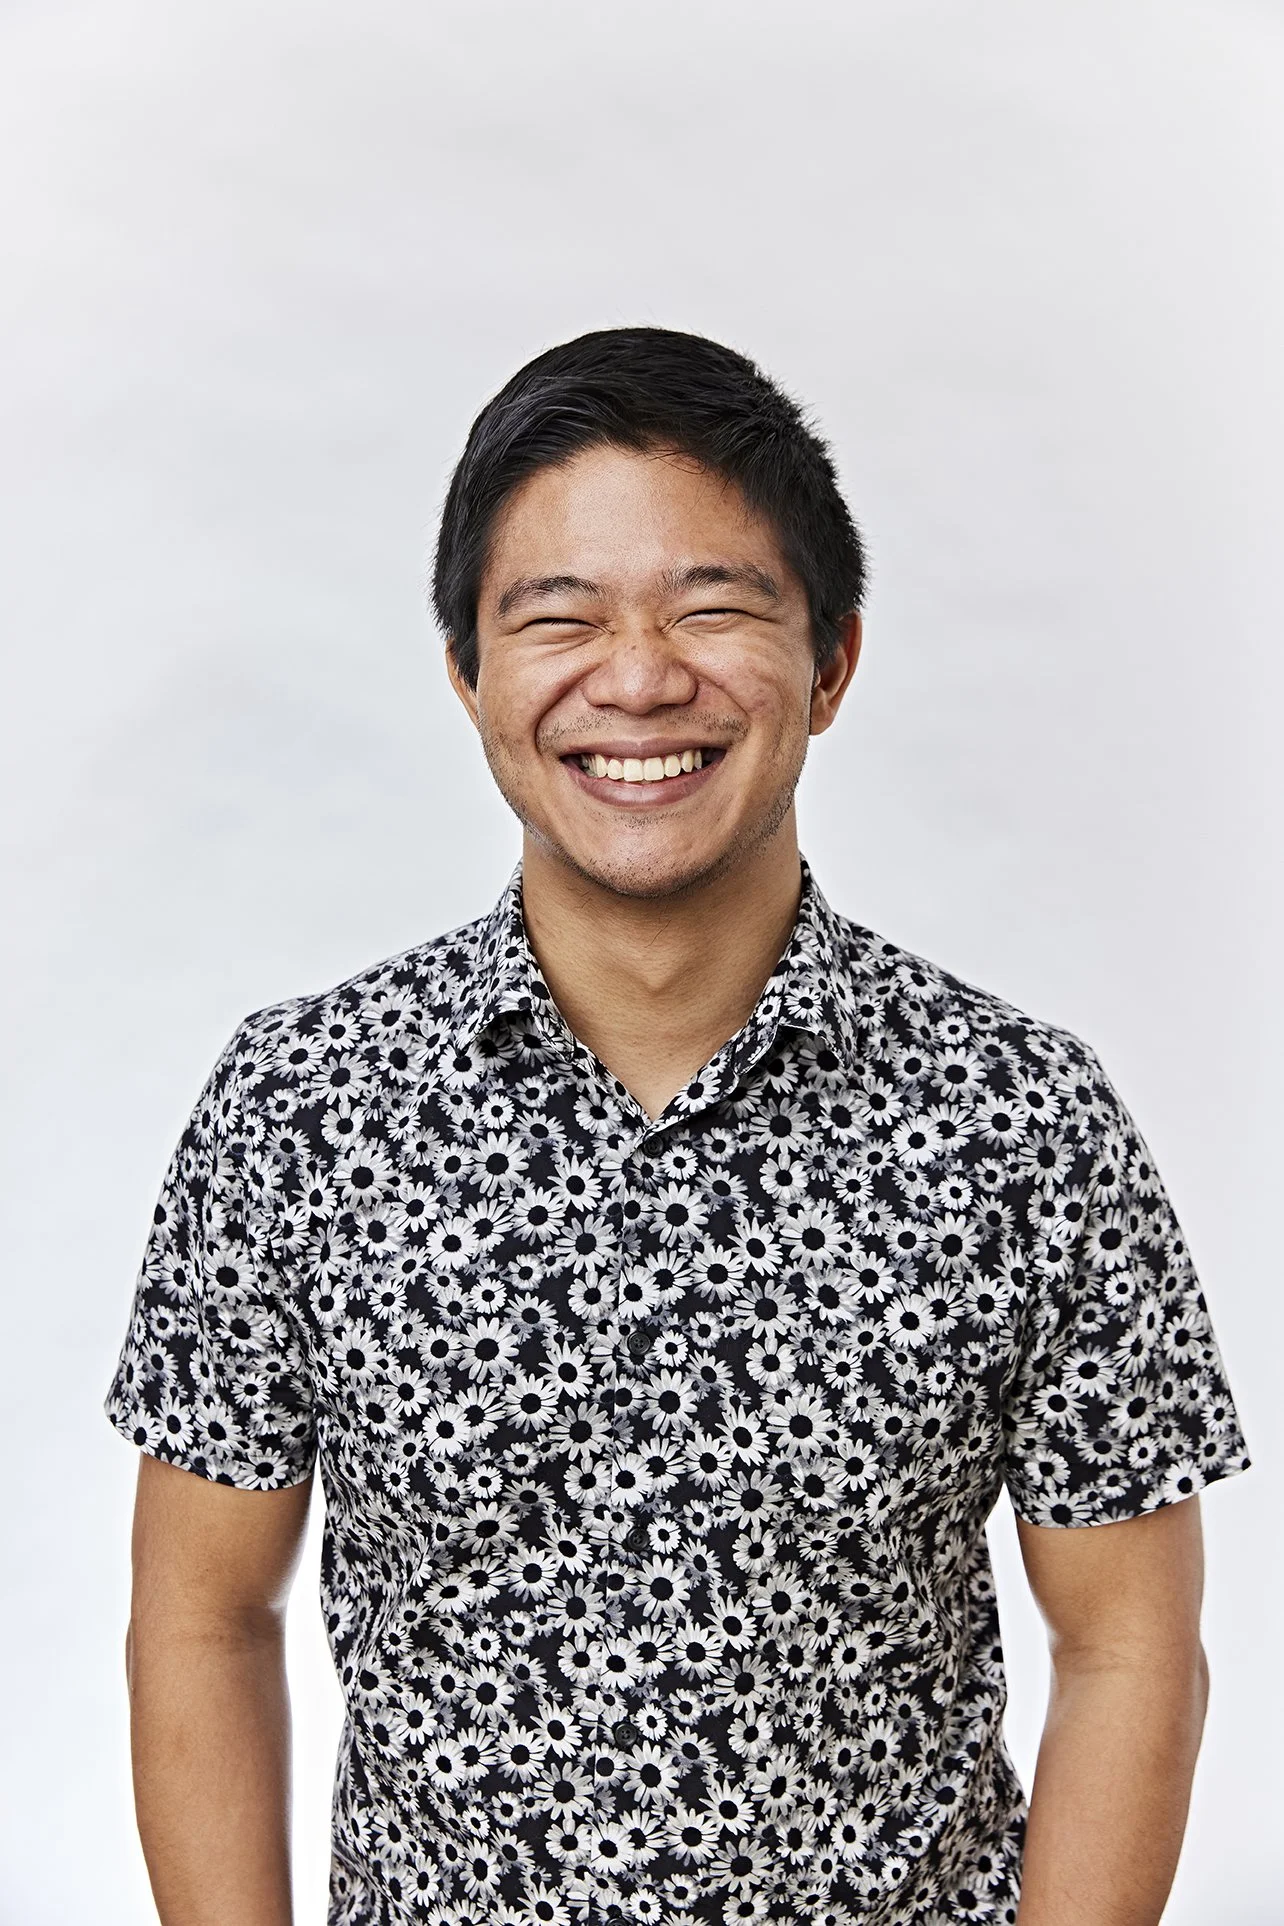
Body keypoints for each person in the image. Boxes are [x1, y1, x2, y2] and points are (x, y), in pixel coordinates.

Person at [107, 327, 1250, 1926]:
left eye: (712, 607)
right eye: (557, 617)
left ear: (833, 661)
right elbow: (203, 1611)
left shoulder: (1022, 1123)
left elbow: (1131, 1640)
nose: (638, 676)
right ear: (469, 677)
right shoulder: (298, 1111)